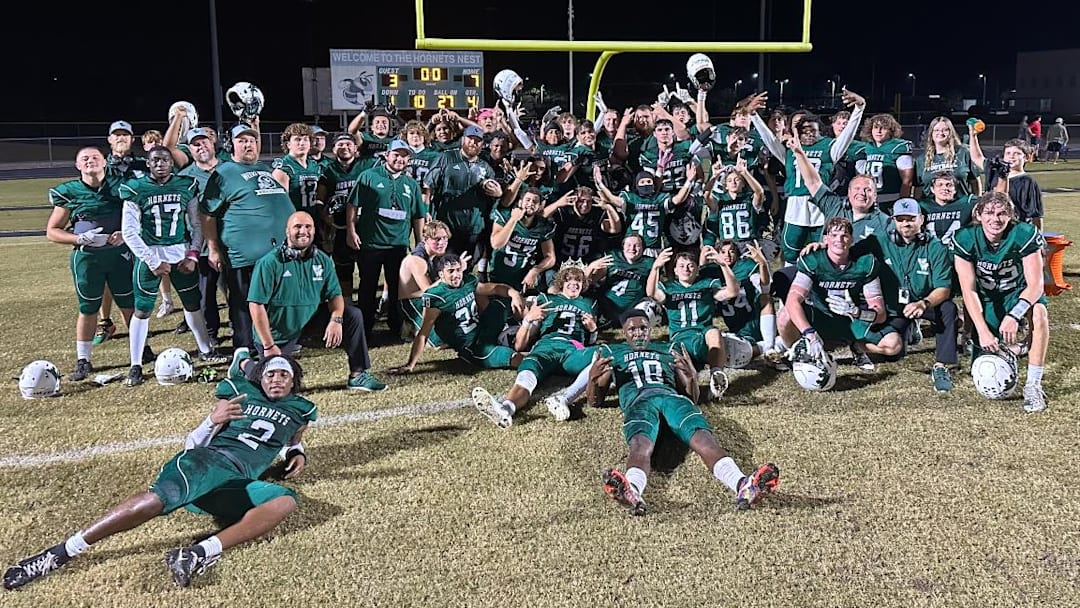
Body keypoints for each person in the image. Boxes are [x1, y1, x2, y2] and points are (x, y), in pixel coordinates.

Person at [2, 355, 315, 590]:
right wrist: (211, 419)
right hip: (207, 461)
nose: (276, 379)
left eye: (283, 375)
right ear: (261, 378)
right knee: (156, 501)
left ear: (293, 381)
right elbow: (192, 443)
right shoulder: (239, 394)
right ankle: (60, 552)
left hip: (238, 480)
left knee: (285, 502)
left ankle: (197, 553)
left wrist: (295, 452)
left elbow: (292, 435)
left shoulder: (300, 409)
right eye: (270, 373)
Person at [588, 309, 780, 516]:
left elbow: (692, 397)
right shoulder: (612, 351)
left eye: (643, 327)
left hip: (672, 398)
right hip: (639, 401)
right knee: (640, 444)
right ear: (624, 332)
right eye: (632, 329)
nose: (638, 333)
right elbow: (594, 401)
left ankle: (742, 483)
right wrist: (592, 378)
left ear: (650, 329)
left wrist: (691, 377)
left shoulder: (669, 348)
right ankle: (631, 489)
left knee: (704, 439)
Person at [119, 146, 227, 386]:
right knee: (143, 310)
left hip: (180, 252)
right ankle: (135, 364)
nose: (160, 164)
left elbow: (197, 224)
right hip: (149, 254)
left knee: (192, 304)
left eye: (165, 159)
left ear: (172, 163)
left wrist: (193, 254)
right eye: (155, 160)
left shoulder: (185, 185)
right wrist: (152, 260)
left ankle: (205, 350)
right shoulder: (135, 188)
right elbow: (129, 231)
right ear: (148, 163)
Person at [247, 211, 385, 391]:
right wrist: (269, 345)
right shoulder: (269, 263)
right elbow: (256, 305)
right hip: (278, 332)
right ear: (287, 231)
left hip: (309, 322)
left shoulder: (322, 260)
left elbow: (335, 295)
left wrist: (336, 319)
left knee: (353, 315)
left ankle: (358, 375)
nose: (303, 231)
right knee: (273, 387)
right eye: (297, 227)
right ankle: (243, 363)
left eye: (308, 227)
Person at [200, 124, 296, 351]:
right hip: (245, 256)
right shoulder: (224, 173)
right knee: (244, 304)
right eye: (242, 140)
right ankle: (245, 349)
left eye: (251, 140)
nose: (248, 144)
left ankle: (274, 344)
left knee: (276, 301)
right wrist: (213, 248)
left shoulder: (264, 168)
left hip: (276, 254)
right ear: (231, 144)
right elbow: (207, 213)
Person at [952, 191, 1049, 413]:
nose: (995, 219)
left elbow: (1036, 285)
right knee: (986, 359)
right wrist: (982, 330)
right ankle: (1017, 347)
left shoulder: (1023, 234)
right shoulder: (966, 238)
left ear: (1010, 215)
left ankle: (1033, 384)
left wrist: (1015, 314)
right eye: (989, 212)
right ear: (978, 214)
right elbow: (969, 291)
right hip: (987, 298)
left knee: (1039, 313)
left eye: (1001, 213)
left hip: (1018, 292)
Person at [46, 147, 137, 381]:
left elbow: (139, 216)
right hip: (88, 258)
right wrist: (79, 238)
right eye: (84, 159)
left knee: (129, 304)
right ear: (77, 165)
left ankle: (140, 350)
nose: (90, 161)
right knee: (88, 308)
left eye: (95, 157)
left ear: (104, 162)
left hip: (120, 255)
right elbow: (52, 231)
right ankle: (83, 359)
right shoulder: (69, 192)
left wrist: (125, 234)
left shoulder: (121, 186)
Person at [748, 88, 866, 266]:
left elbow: (847, 137)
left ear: (821, 131)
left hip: (820, 206)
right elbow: (769, 139)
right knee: (790, 256)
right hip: (795, 207)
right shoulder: (788, 150)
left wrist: (859, 108)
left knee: (826, 255)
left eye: (814, 130)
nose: (809, 133)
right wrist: (754, 115)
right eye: (805, 130)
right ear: (797, 132)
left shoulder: (829, 148)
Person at [471, 265, 599, 427]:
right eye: (569, 280)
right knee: (527, 373)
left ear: (583, 284)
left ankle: (564, 398)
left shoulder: (589, 303)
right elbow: (519, 345)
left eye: (578, 280)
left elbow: (591, 341)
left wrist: (593, 329)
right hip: (546, 346)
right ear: (561, 283)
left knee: (601, 356)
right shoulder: (546, 299)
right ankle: (505, 410)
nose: (573, 284)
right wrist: (527, 320)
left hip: (573, 348)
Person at [859, 198, 958, 391]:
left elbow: (944, 288)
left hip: (924, 302)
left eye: (911, 218)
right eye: (901, 219)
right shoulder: (879, 241)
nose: (906, 223)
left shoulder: (936, 247)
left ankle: (942, 365)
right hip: (895, 307)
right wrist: (821, 247)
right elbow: (846, 253)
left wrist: (924, 303)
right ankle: (905, 333)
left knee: (948, 308)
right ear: (894, 221)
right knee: (894, 351)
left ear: (921, 219)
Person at [776, 217, 899, 371]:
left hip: (851, 320)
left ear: (852, 239)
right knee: (784, 316)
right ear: (825, 239)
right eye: (834, 235)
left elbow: (880, 314)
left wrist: (857, 312)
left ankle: (857, 346)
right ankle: (798, 351)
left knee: (893, 345)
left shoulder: (865, 264)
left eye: (844, 235)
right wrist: (809, 333)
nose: (839, 240)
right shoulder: (813, 260)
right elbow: (792, 301)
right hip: (821, 316)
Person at [391, 253, 526, 373]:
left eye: (458, 270)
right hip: (473, 346)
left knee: (503, 302)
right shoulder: (436, 297)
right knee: (514, 358)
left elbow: (496, 288)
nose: (456, 275)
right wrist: (410, 364)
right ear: (441, 274)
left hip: (483, 326)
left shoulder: (467, 281)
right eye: (450, 271)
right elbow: (423, 333)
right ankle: (532, 354)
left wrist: (514, 294)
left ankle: (525, 326)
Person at [345, 139, 426, 338]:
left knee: (398, 288)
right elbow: (352, 205)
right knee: (367, 287)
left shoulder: (410, 183)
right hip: (371, 243)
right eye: (396, 154)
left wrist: (420, 243)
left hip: (398, 245)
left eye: (404, 156)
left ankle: (395, 326)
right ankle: (364, 328)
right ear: (386, 155)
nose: (399, 159)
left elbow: (418, 215)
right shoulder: (369, 176)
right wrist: (351, 230)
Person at [646, 248, 737, 401]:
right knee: (684, 389)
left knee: (714, 332)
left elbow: (732, 291)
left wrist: (724, 266)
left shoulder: (707, 284)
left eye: (690, 265)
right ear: (675, 270)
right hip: (679, 342)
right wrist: (655, 267)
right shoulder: (669, 287)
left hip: (702, 337)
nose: (686, 269)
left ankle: (716, 376)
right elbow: (651, 293)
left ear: (697, 269)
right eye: (681, 266)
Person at [94, 120, 150, 345]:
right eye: (116, 135)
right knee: (107, 279)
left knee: (139, 276)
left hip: (138, 228)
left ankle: (141, 320)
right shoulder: (101, 166)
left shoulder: (143, 165)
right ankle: (104, 322)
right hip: (111, 229)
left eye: (125, 135)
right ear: (109, 139)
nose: (120, 138)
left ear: (132, 139)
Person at [423, 125, 502, 265]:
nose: (473, 143)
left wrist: (498, 193)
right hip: (447, 226)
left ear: (482, 144)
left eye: (477, 140)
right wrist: (426, 211)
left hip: (473, 227)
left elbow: (493, 198)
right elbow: (428, 186)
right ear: (463, 140)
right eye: (470, 139)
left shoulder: (485, 168)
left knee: (467, 266)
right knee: (446, 266)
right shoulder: (446, 158)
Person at [177, 128, 226, 344]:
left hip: (232, 241)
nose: (201, 147)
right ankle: (211, 335)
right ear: (190, 149)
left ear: (212, 143)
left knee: (238, 291)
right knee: (206, 293)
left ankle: (242, 333)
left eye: (204, 142)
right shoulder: (184, 177)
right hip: (203, 245)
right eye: (195, 144)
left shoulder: (230, 168)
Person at [399, 220, 451, 344]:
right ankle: (409, 325)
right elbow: (430, 291)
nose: (442, 243)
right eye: (437, 239)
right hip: (412, 302)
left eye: (444, 238)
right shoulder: (418, 260)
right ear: (426, 239)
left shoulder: (435, 255)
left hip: (427, 299)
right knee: (438, 342)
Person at [855, 113, 914, 213]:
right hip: (870, 200)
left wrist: (902, 203)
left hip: (891, 199)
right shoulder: (867, 148)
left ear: (891, 131)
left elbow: (907, 181)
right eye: (876, 127)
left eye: (883, 128)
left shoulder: (897, 147)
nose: (879, 131)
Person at [915, 117, 984, 198]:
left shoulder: (963, 153)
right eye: (937, 130)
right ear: (931, 134)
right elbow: (918, 187)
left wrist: (977, 201)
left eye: (945, 130)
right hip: (930, 208)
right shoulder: (921, 160)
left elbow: (975, 181)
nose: (940, 133)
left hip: (961, 206)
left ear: (951, 133)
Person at [987, 139, 1044, 229]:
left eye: (1017, 153)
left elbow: (1036, 214)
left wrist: (1038, 236)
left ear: (1026, 157)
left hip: (1017, 229)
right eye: (1008, 153)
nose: (1011, 157)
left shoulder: (1028, 181)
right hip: (994, 226)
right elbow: (977, 158)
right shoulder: (997, 175)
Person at [271, 123, 323, 214]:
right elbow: (280, 204)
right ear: (288, 144)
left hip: (313, 217)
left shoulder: (314, 165)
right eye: (297, 139)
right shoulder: (283, 169)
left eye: (305, 139)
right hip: (294, 220)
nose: (302, 143)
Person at [918, 171, 977, 248]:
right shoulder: (923, 205)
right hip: (931, 252)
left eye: (949, 185)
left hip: (958, 251)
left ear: (955, 189)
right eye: (940, 185)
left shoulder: (967, 202)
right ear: (932, 189)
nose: (945, 188)